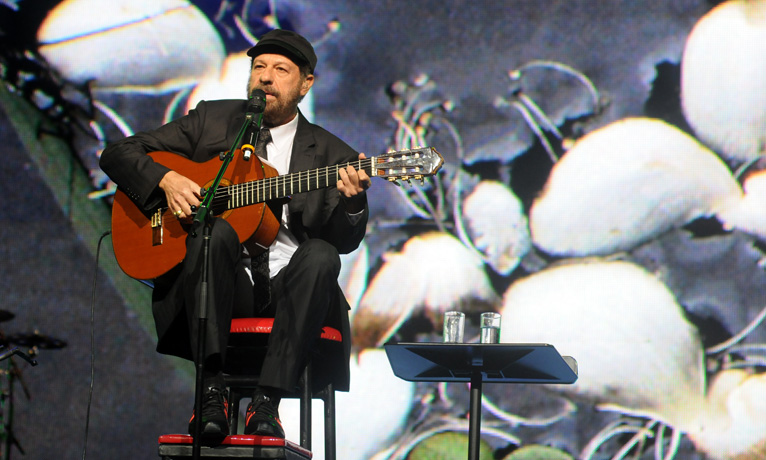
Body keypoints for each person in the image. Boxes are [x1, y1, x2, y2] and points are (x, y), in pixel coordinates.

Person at [99, 29, 371, 443]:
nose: (266, 77)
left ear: (306, 84)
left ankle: (268, 402)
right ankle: (211, 392)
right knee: (217, 231)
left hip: (291, 291)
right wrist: (167, 180)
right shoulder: (212, 120)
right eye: (259, 67)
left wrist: (353, 203)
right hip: (218, 281)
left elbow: (344, 241)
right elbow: (118, 153)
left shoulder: (333, 154)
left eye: (281, 70)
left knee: (321, 254)